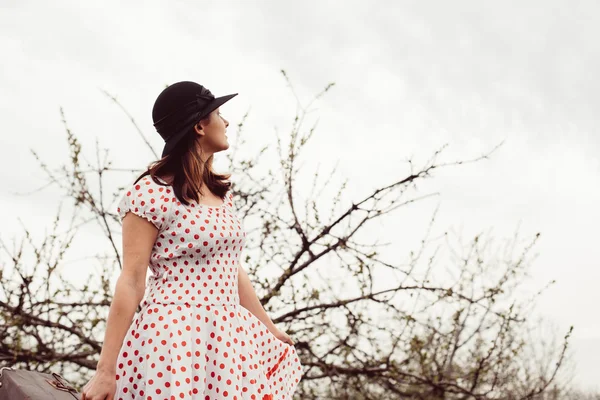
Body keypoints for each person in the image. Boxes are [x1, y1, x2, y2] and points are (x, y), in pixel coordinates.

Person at [81, 81, 302, 400]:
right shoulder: (148, 193)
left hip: (225, 335)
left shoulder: (222, 196)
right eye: (219, 114)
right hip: (174, 337)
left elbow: (231, 269)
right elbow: (131, 279)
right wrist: (106, 371)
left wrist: (268, 327)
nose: (226, 122)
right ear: (200, 125)